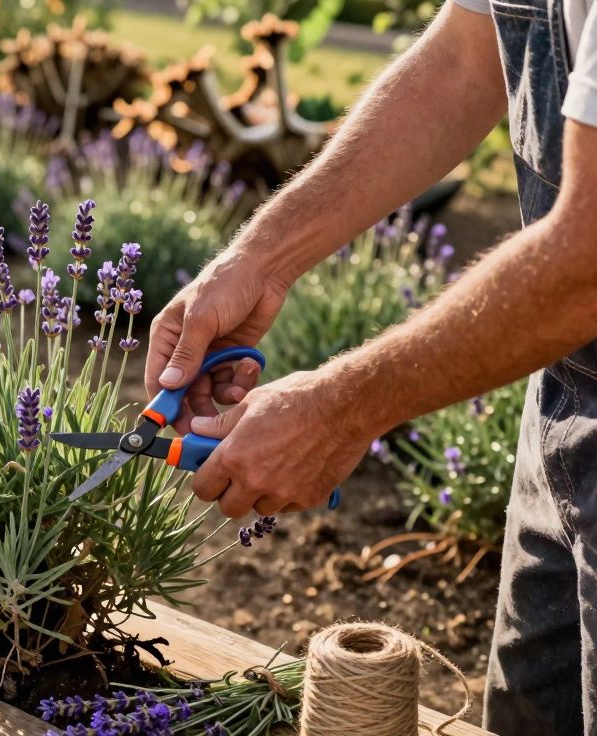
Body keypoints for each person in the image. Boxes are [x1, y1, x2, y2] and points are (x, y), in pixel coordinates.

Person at [142, 0, 597, 732]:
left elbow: (588, 261)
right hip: (564, 393)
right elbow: (465, 55)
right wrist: (260, 259)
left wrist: (339, 409)